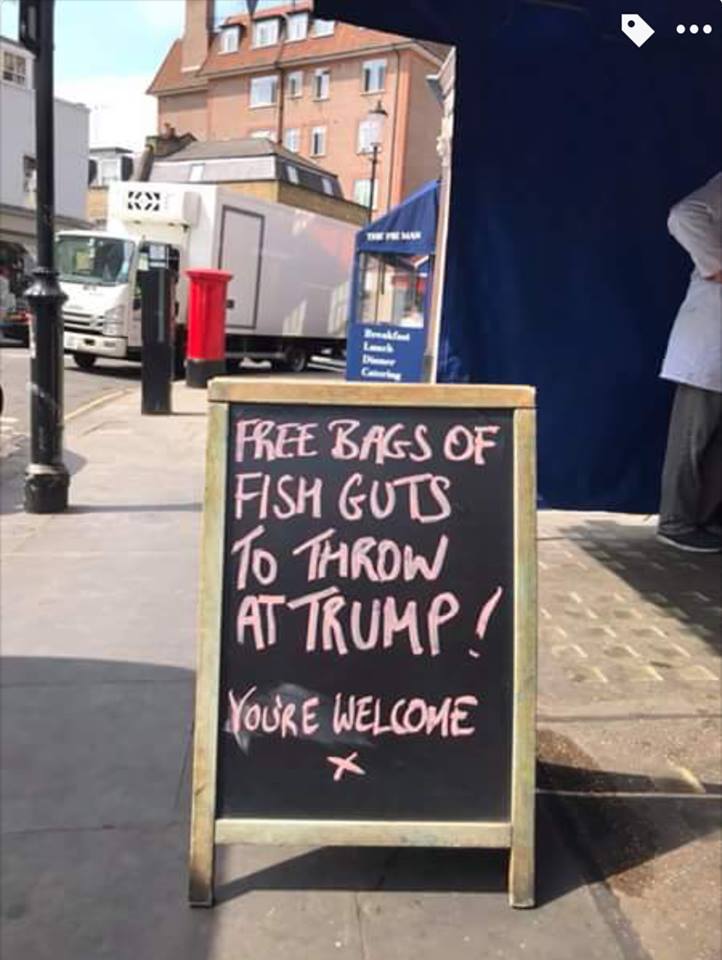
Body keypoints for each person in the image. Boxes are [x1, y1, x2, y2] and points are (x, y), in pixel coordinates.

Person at [658, 172, 722, 552]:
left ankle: (705, 518)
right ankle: (677, 521)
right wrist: (715, 264)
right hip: (709, 339)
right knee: (693, 437)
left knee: (716, 443)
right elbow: (684, 215)